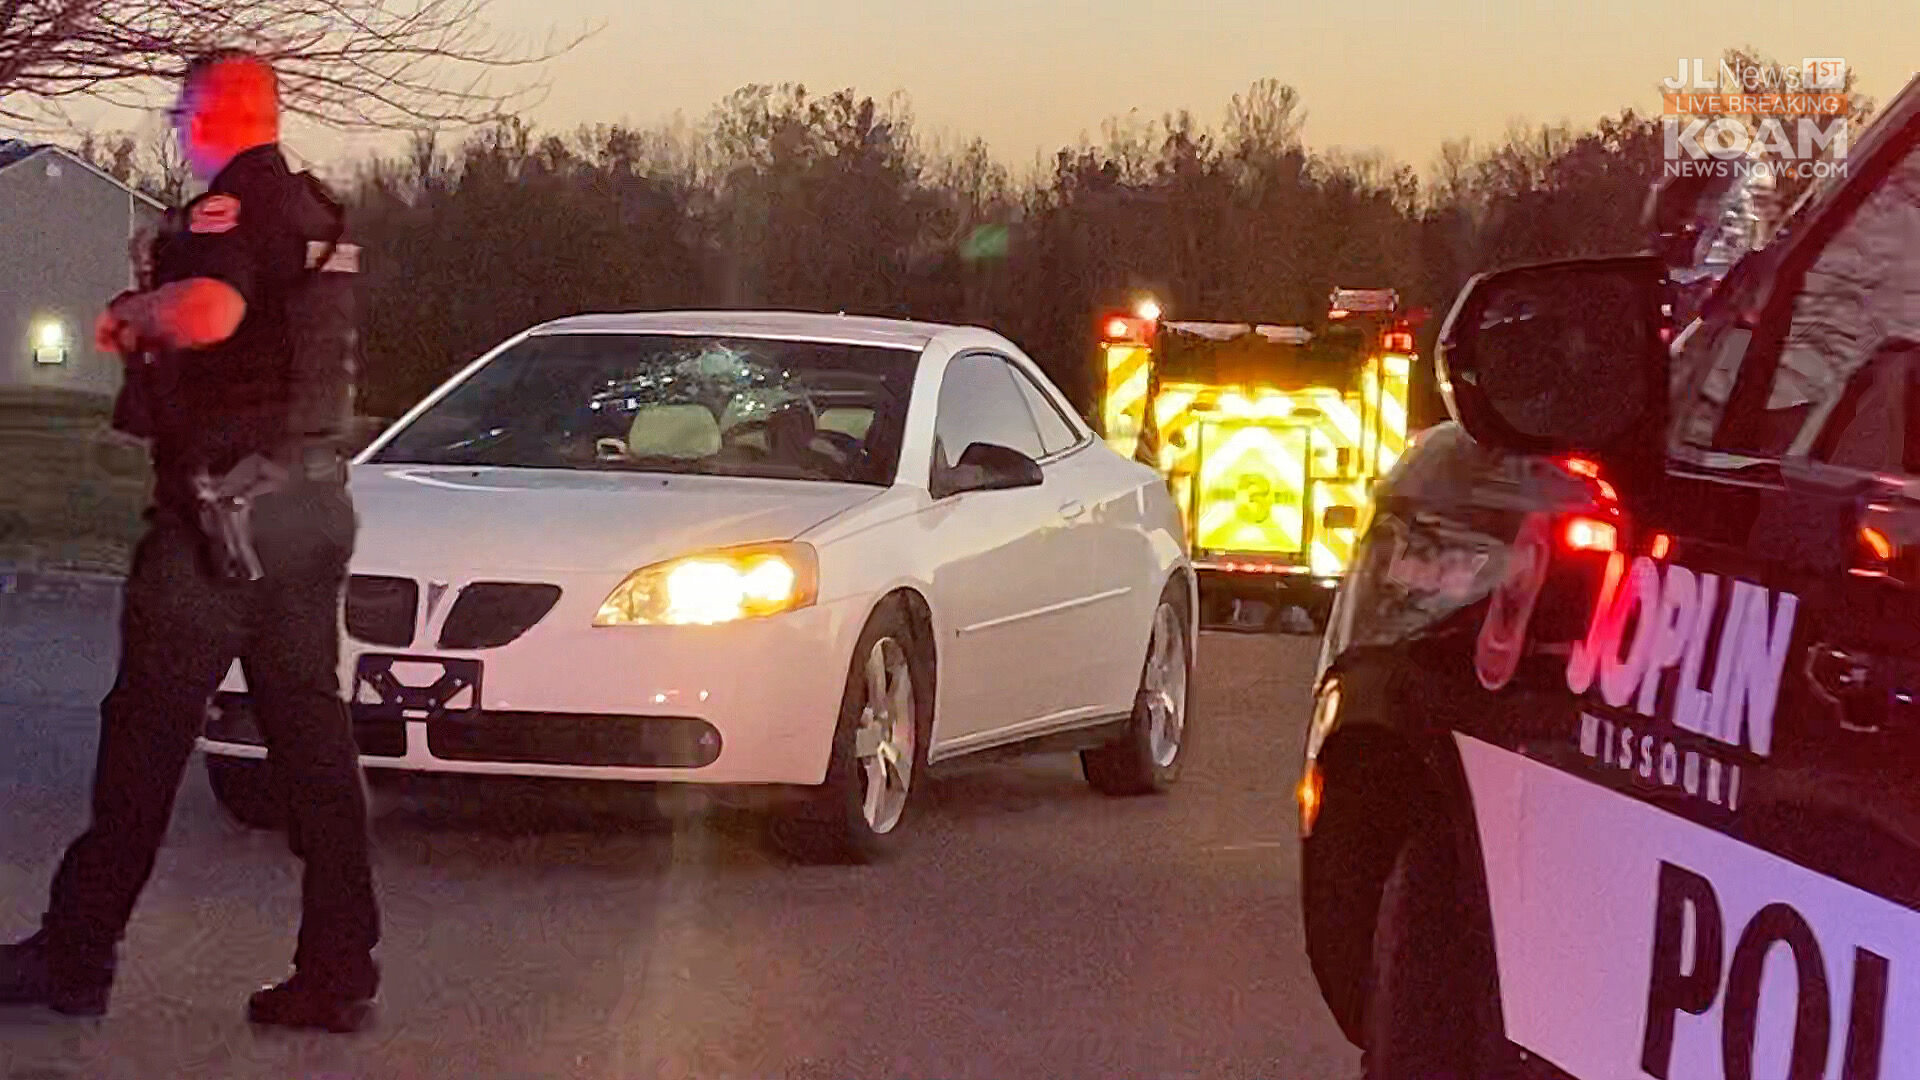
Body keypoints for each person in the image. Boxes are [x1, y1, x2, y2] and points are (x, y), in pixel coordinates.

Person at [0, 49, 380, 1033]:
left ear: (213, 112)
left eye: (180, 111)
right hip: (306, 509)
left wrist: (134, 314)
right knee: (312, 745)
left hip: (218, 521)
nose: (174, 126)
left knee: (142, 740)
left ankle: (76, 955)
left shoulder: (231, 208)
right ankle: (339, 969)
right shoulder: (317, 212)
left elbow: (212, 313)